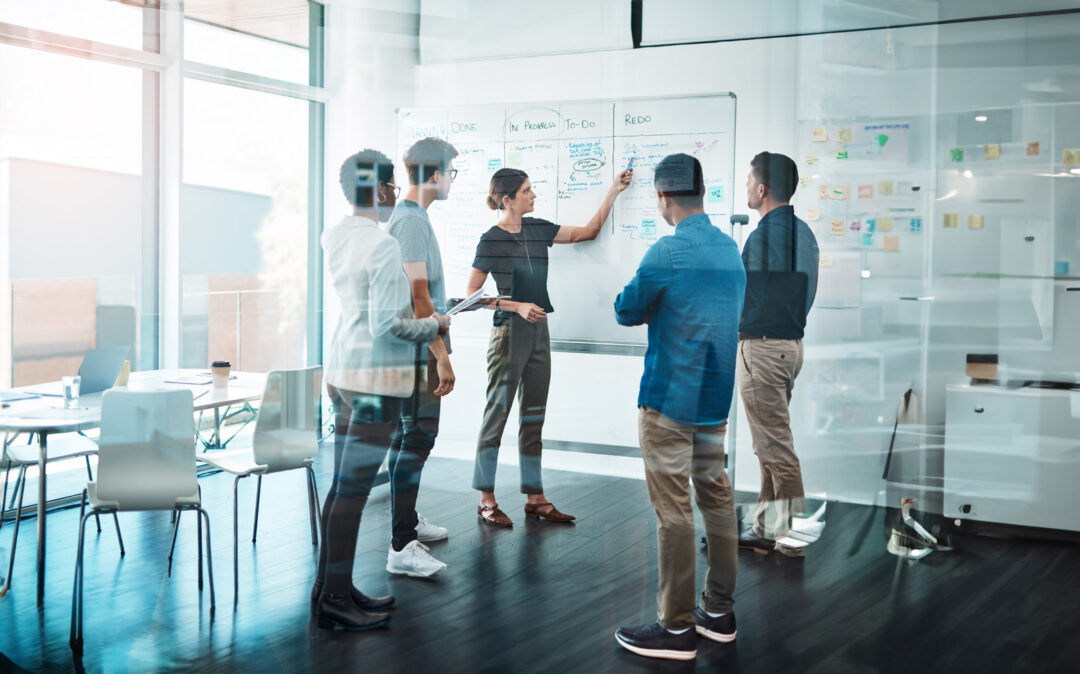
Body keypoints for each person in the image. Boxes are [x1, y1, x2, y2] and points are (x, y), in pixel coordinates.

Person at [611, 153, 746, 661]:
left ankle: (675, 629)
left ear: (663, 197)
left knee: (673, 513)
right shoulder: (731, 251)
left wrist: (653, 307)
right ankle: (719, 613)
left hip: (669, 401)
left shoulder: (665, 252)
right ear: (703, 193)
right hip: (714, 402)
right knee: (716, 500)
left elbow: (626, 309)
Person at [314, 149, 451, 631]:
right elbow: (388, 325)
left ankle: (331, 588)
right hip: (376, 380)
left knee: (341, 488)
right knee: (352, 492)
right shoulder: (382, 244)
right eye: (392, 186)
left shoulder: (335, 235)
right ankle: (334, 598)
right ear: (381, 190)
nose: (396, 193)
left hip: (342, 374)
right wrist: (435, 322)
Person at [465, 166, 632, 526]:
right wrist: (515, 305)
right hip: (509, 332)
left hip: (540, 331)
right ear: (508, 199)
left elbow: (588, 233)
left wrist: (613, 192)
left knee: (533, 416)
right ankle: (486, 499)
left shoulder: (538, 228)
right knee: (497, 415)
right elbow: (472, 297)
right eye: (527, 191)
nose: (534, 195)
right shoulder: (490, 239)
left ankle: (535, 497)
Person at [735, 151, 819, 558]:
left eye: (750, 181)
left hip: (763, 350)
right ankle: (767, 528)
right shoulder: (804, 233)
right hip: (789, 348)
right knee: (769, 445)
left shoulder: (763, 236)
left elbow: (741, 296)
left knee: (777, 452)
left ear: (763, 189)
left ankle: (794, 541)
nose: (747, 188)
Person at [384, 137, 459, 578]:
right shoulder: (411, 222)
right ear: (435, 174)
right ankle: (400, 545)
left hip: (415, 344)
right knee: (418, 440)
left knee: (408, 439)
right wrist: (442, 356)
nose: (451, 181)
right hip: (417, 349)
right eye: (451, 172)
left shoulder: (414, 218)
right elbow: (417, 296)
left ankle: (406, 524)